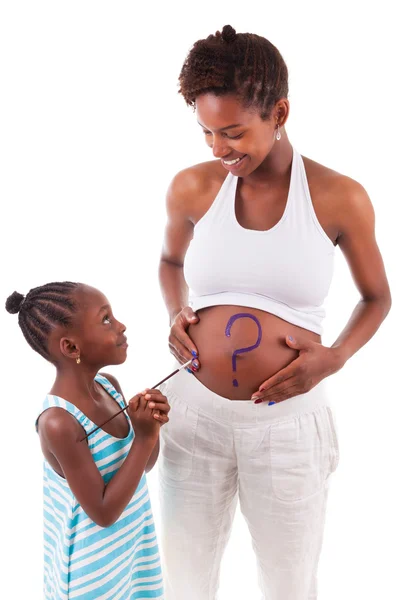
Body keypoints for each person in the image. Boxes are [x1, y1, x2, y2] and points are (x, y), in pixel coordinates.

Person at [158, 25, 391, 600]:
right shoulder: (191, 187)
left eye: (233, 132)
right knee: (186, 580)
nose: (218, 148)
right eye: (206, 131)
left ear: (279, 111)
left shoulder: (340, 197)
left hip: (286, 425)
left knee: (289, 584)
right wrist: (177, 312)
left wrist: (333, 358)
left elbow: (377, 297)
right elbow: (169, 262)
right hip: (193, 418)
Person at [5, 281, 169, 600]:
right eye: (106, 319)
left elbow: (143, 467)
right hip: (92, 576)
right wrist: (144, 438)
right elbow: (103, 512)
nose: (121, 326)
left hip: (133, 553)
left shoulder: (109, 386)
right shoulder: (59, 422)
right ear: (71, 348)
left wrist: (151, 427)